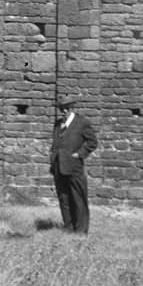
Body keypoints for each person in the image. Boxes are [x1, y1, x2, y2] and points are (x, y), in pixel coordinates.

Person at [50, 93, 98, 235]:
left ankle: (81, 230)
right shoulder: (58, 124)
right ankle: (68, 226)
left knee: (78, 198)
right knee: (64, 198)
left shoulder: (82, 123)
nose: (63, 111)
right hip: (59, 166)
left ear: (72, 108)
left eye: (66, 108)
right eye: (61, 109)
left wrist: (79, 154)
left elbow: (92, 142)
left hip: (74, 166)